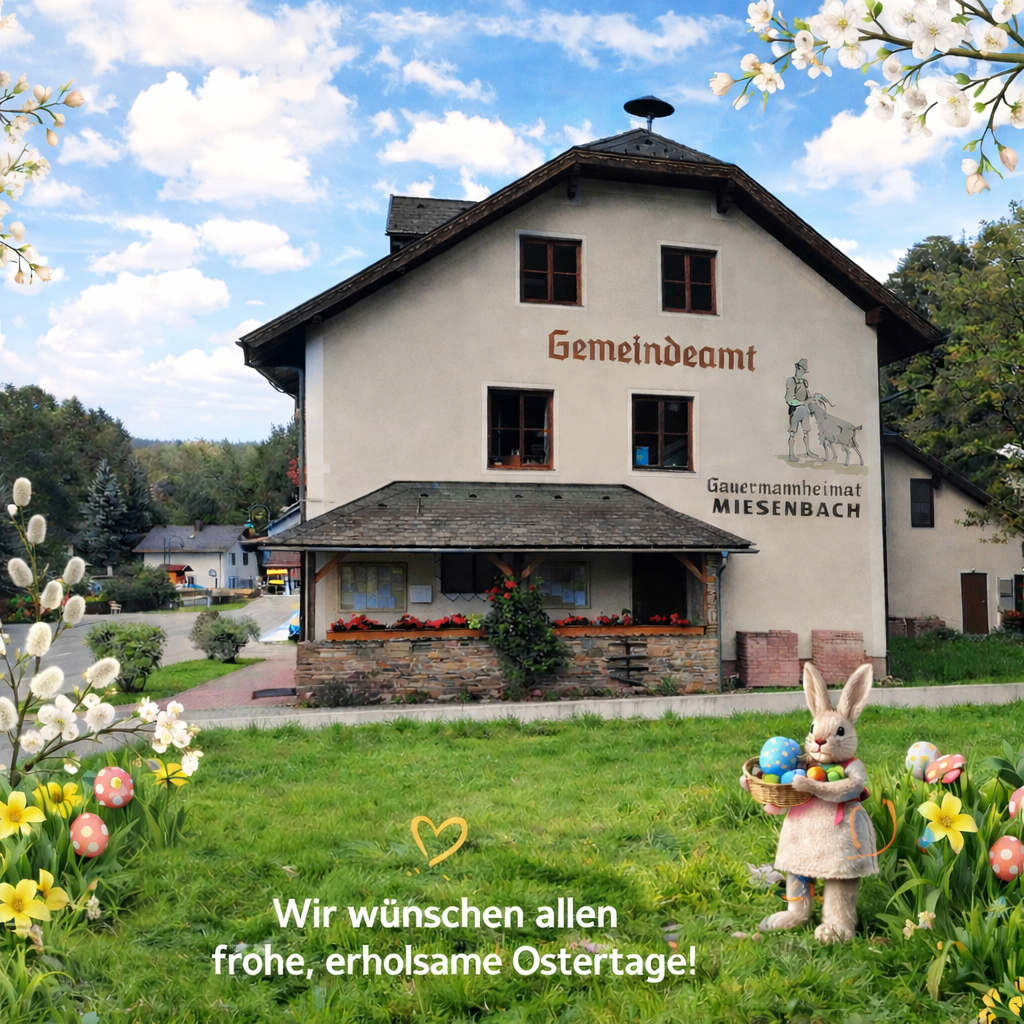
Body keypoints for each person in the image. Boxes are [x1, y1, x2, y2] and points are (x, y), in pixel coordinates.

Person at [785, 358, 819, 462]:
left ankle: (808, 450)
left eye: (804, 371)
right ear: (797, 368)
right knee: (792, 433)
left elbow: (807, 396)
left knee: (806, 431)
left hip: (804, 410)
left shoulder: (805, 382)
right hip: (795, 410)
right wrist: (801, 403)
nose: (803, 373)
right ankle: (791, 454)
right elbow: (789, 399)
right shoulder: (791, 381)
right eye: (802, 370)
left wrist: (812, 400)